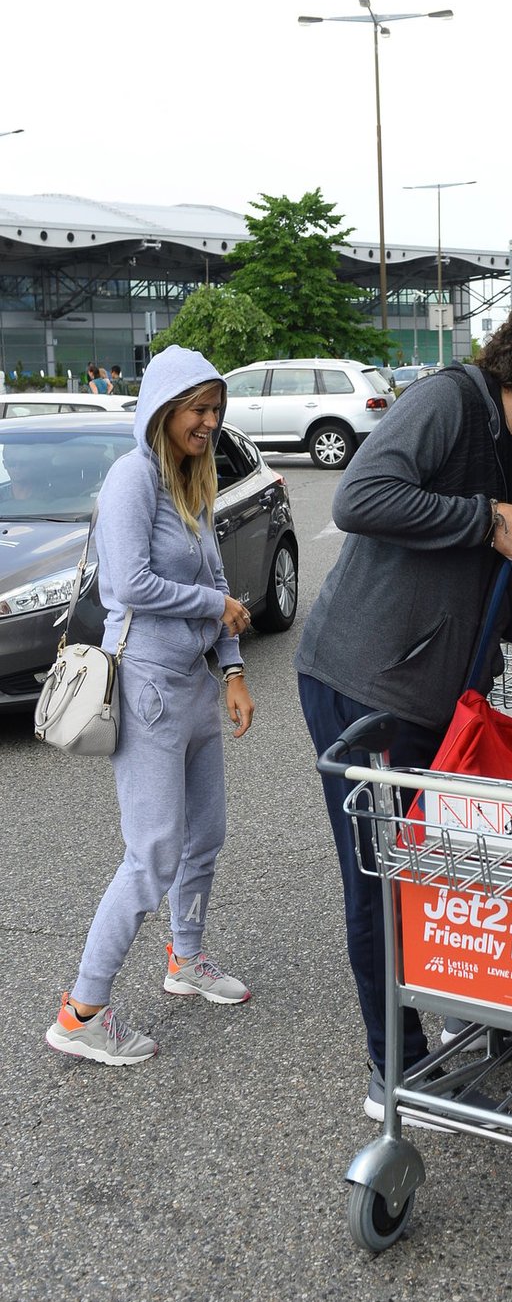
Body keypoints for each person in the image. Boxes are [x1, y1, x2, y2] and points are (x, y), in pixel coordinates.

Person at [296, 292, 512, 1120]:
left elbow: (502, 592)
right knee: (380, 874)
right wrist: (485, 517)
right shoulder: (450, 402)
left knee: (443, 862)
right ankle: (397, 1066)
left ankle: (468, 1008)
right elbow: (359, 499)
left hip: (443, 694)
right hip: (366, 680)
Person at [45, 344, 255, 1067]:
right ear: (164, 408)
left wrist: (231, 670)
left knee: (208, 835)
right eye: (198, 409)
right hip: (148, 686)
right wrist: (214, 605)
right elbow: (128, 586)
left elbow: (218, 573)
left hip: (195, 683)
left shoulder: (193, 476)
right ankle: (82, 1009)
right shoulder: (132, 477)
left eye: (216, 409)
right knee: (153, 853)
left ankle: (185, 959)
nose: (209, 422)